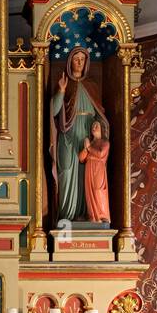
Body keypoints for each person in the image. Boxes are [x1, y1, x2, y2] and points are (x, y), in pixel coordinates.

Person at [49, 47, 110, 223]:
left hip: (88, 134)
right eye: (76, 59)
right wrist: (61, 91)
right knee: (67, 171)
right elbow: (54, 110)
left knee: (87, 176)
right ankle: (66, 216)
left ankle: (86, 214)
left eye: (83, 59)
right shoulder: (64, 83)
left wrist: (99, 131)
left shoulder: (92, 86)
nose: (79, 62)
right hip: (68, 134)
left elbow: (100, 113)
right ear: (70, 62)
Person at [78, 118, 111, 224]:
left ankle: (102, 216)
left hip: (98, 169)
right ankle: (92, 216)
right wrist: (85, 149)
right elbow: (81, 158)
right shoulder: (91, 143)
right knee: (89, 193)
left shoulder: (105, 142)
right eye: (92, 126)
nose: (93, 127)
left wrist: (89, 148)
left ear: (101, 129)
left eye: (96, 126)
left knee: (98, 190)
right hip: (89, 169)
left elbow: (101, 154)